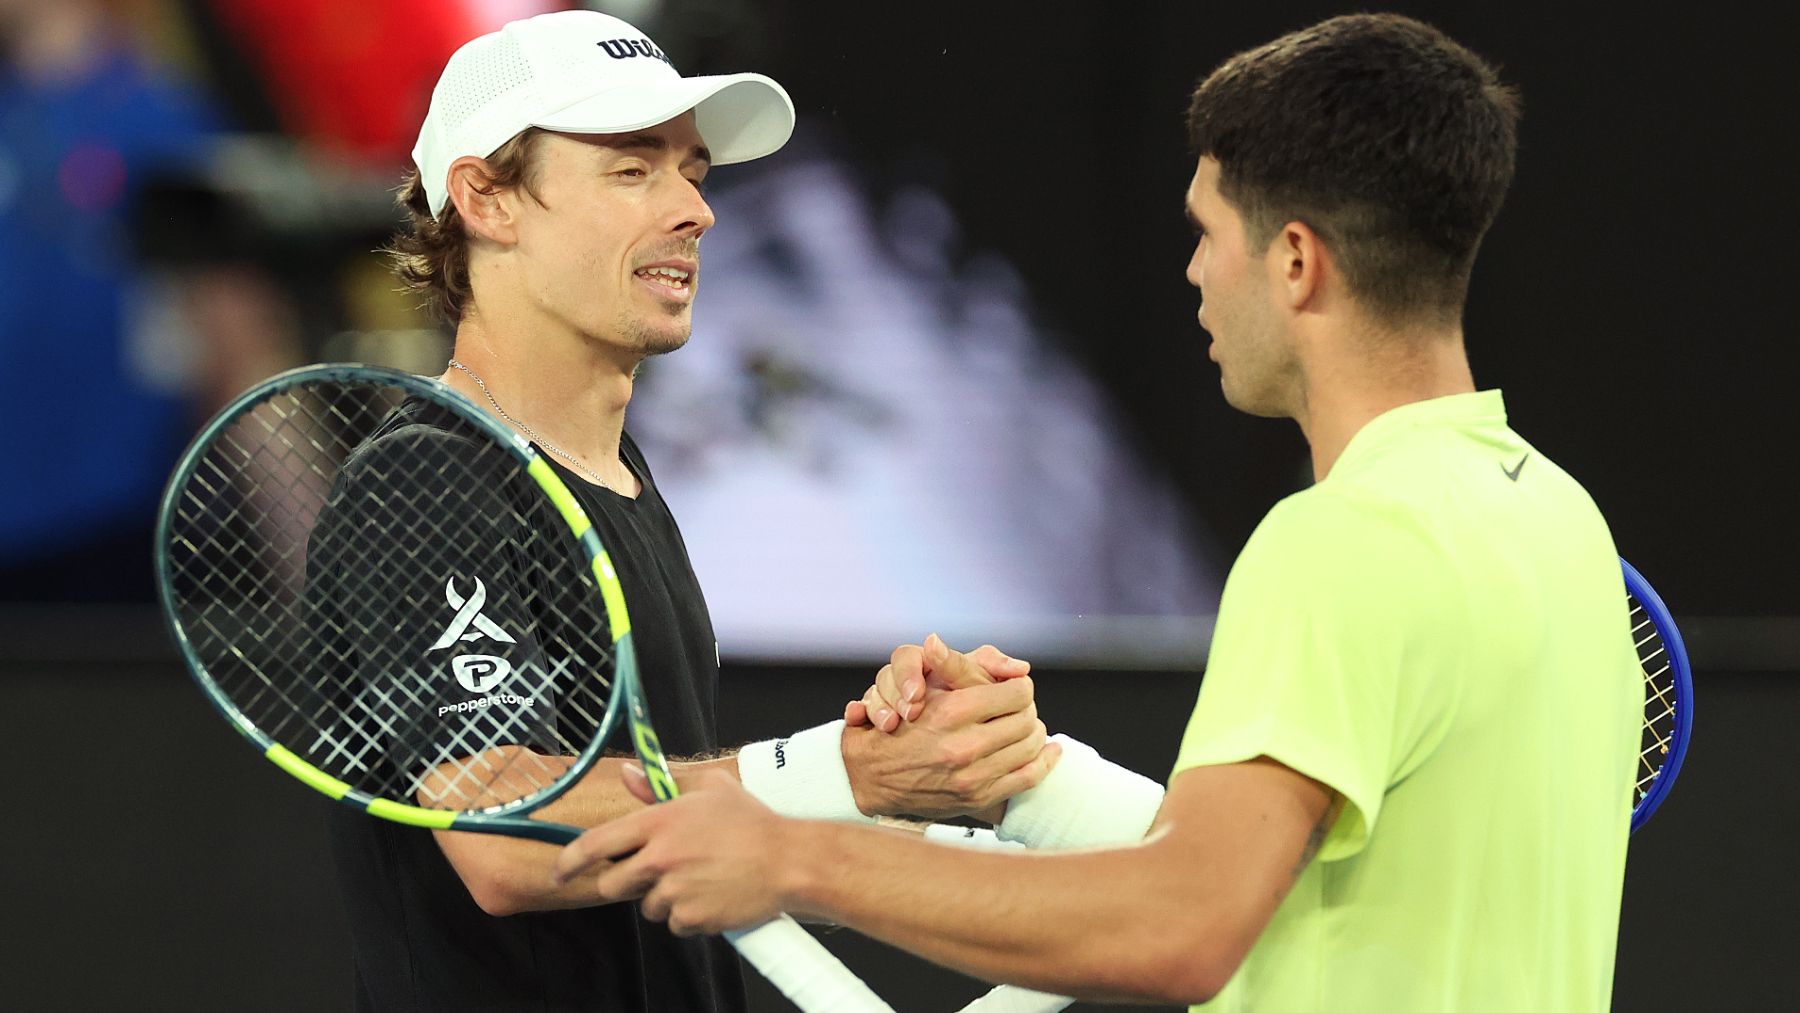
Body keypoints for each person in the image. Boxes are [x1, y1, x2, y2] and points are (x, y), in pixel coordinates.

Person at [554, 13, 1645, 1011]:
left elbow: (1185, 918)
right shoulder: (1557, 521)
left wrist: (794, 858)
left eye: (1209, 232)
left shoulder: (1342, 541)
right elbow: (1311, 874)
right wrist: (1032, 778)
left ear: (1298, 263)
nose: (1194, 272)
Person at [320, 11, 1057, 1012]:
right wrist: (839, 767)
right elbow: (501, 827)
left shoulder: (619, 474)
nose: (695, 211)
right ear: (487, 198)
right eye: (634, 170)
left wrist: (935, 771)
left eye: (694, 172)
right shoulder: (425, 478)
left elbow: (697, 841)